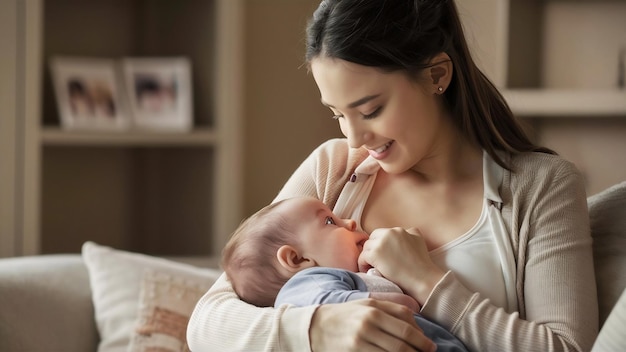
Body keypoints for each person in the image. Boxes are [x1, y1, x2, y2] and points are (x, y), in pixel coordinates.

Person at [187, 0, 598, 351]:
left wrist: (428, 281)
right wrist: (316, 329)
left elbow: (566, 346)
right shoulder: (335, 168)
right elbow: (206, 323)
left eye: (370, 111)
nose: (355, 138)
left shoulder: (542, 185)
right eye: (338, 115)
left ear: (437, 75)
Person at [220, 195, 468, 352]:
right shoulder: (308, 283)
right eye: (329, 221)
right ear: (297, 259)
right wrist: (402, 299)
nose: (349, 222)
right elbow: (323, 305)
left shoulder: (340, 280)